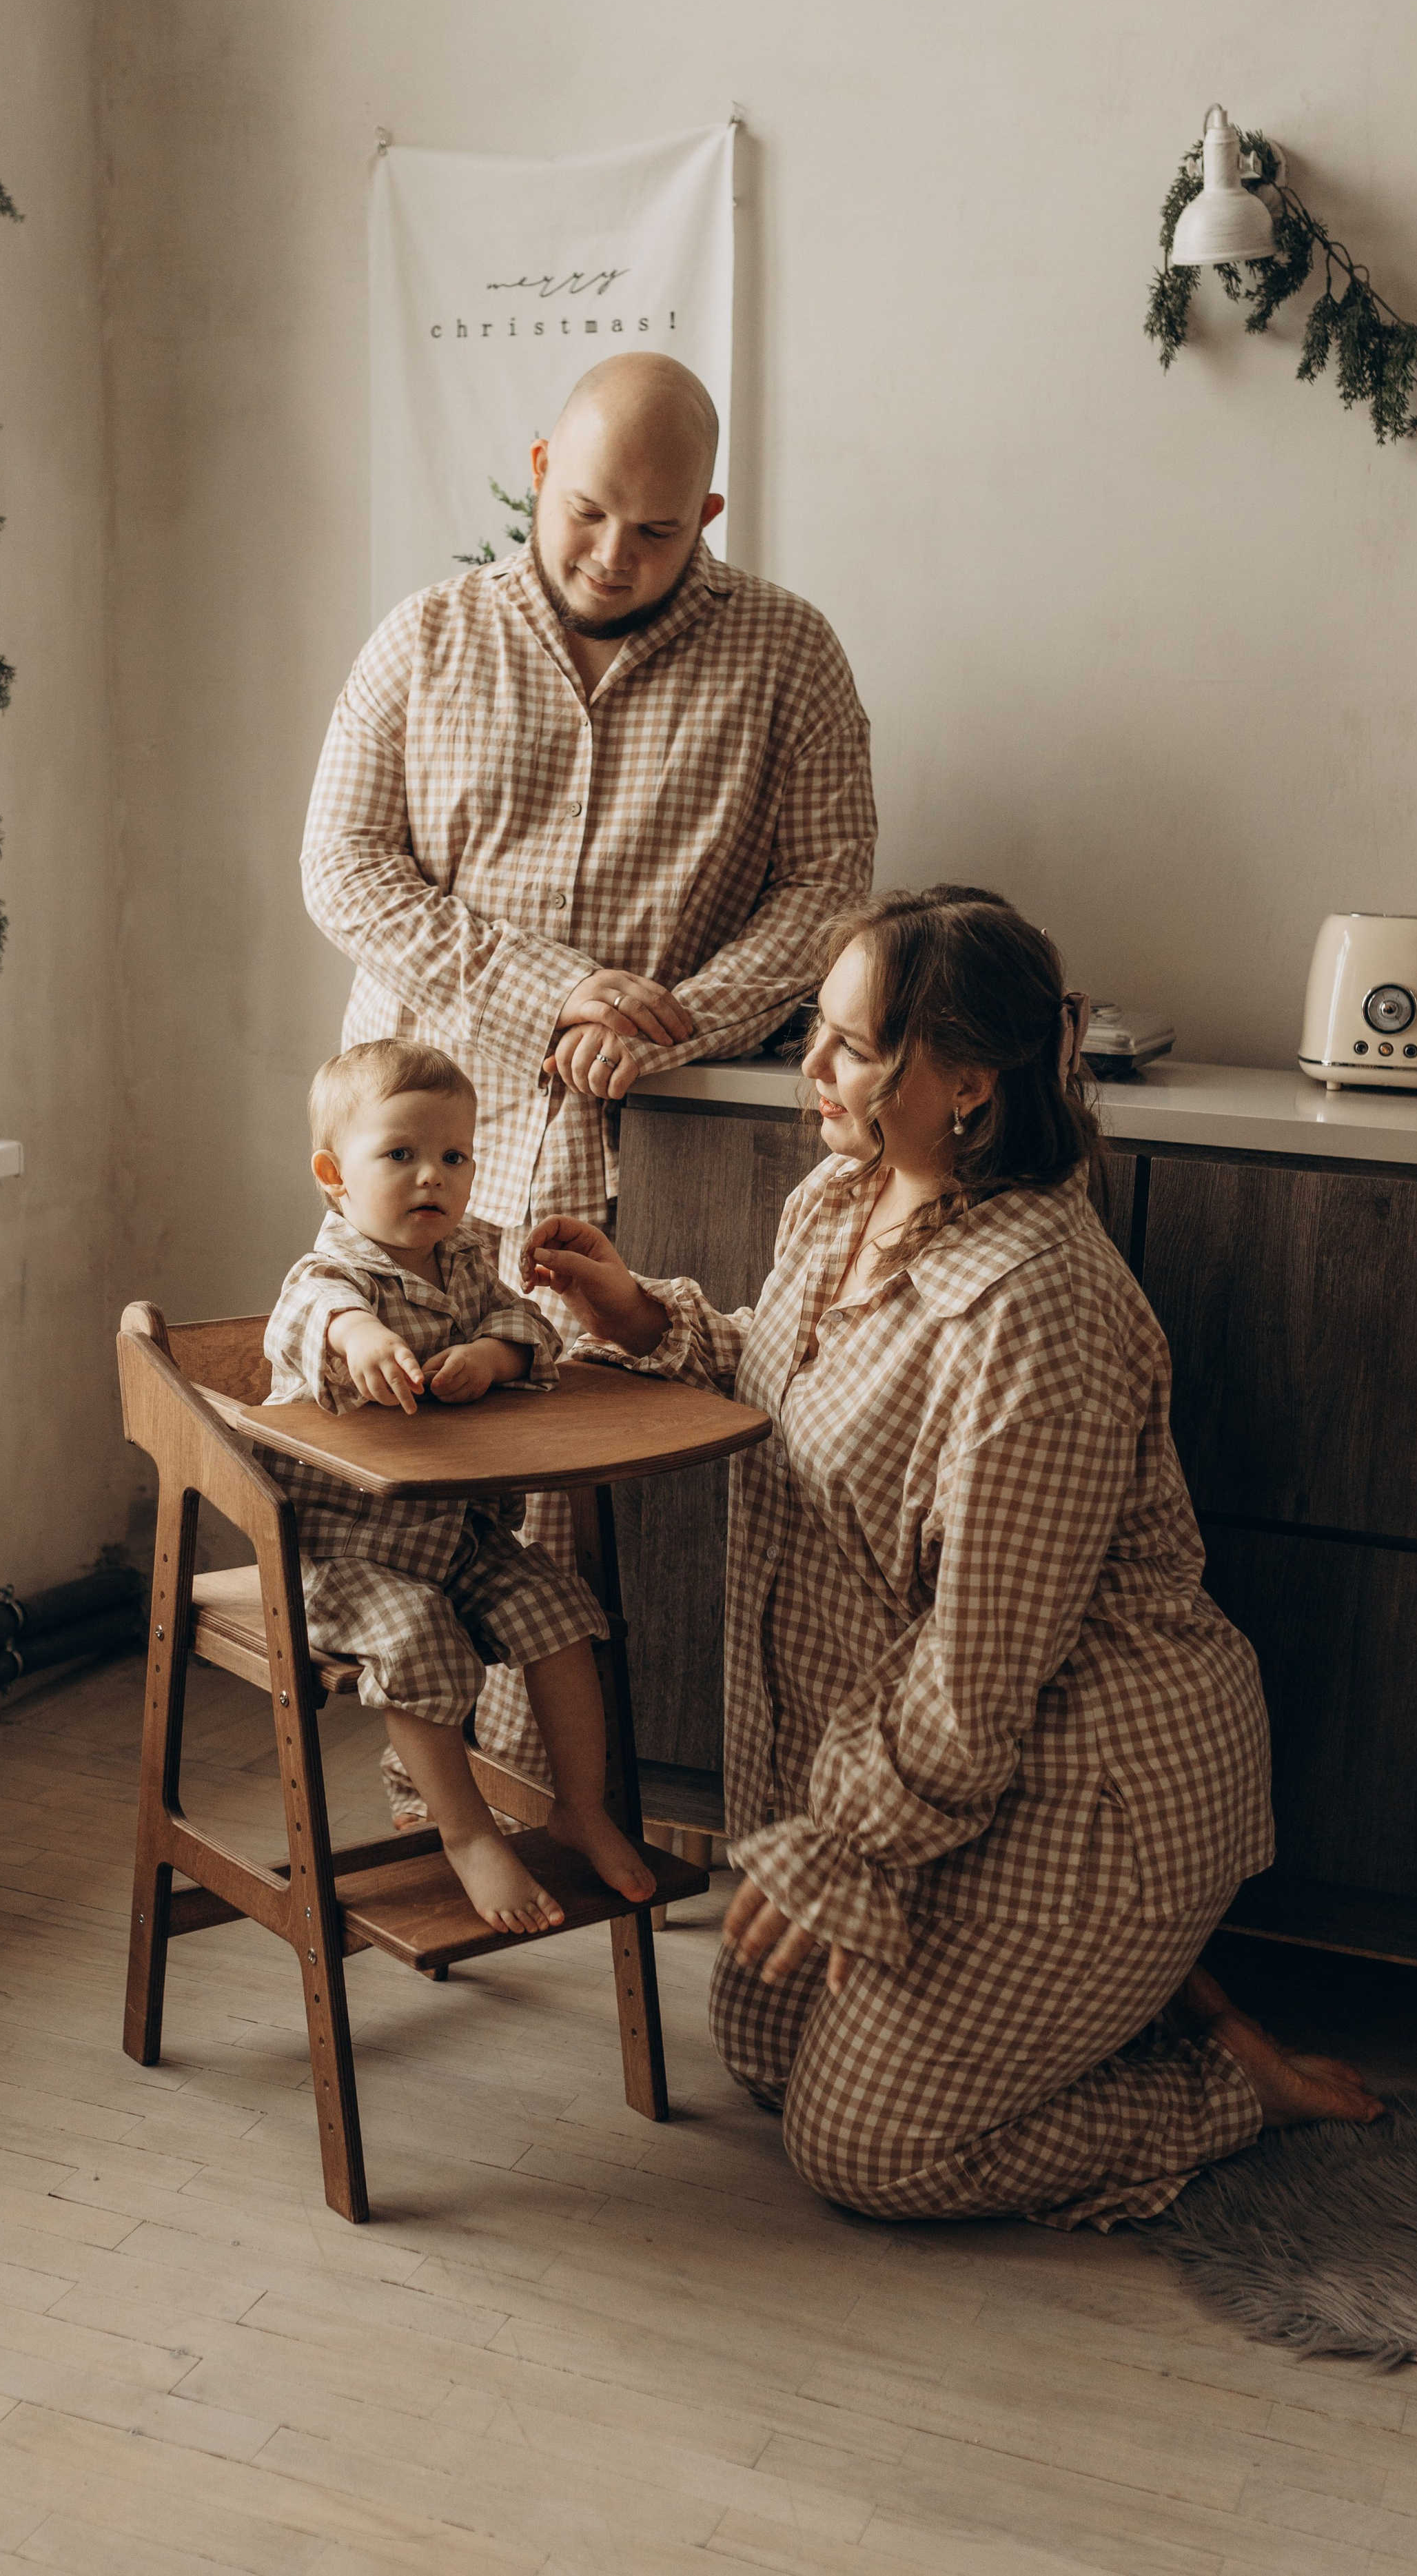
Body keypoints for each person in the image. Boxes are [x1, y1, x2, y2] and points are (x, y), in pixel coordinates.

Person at [524, 888, 1381, 2229]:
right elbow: (793, 1369)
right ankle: (1122, 2002)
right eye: (821, 1027)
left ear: (967, 1081)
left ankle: (1225, 2086)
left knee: (861, 2151)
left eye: (851, 1047)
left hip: (1084, 1786)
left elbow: (977, 1677)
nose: (811, 1065)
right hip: (952, 1767)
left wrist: (844, 1848)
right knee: (758, 2042)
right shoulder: (842, 1197)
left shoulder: (1037, 1313)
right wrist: (644, 1317)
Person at [302, 351, 875, 1818]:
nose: (614, 554)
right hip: (422, 1129)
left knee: (578, 1479)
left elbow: (824, 890)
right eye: (590, 512)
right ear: (539, 468)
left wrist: (678, 1016)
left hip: (649, 1134)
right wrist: (541, 979)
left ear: (712, 512)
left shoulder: (788, 654)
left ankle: (586, 1799)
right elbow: (341, 867)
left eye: (659, 529)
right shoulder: (423, 637)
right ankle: (440, 1786)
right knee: (406, 1446)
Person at [258, 1037, 655, 1931]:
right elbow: (322, 1317)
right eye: (400, 1154)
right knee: (418, 1635)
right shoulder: (327, 1277)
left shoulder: (469, 1256)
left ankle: (580, 1805)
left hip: (462, 1538)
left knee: (561, 1612)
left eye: (453, 1155)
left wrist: (491, 1352)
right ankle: (468, 1829)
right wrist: (360, 1341)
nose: (432, 1176)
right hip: (346, 1556)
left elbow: (524, 1321)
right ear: (334, 1174)